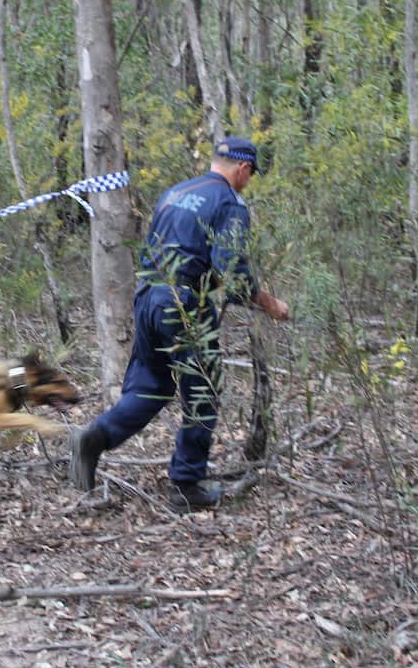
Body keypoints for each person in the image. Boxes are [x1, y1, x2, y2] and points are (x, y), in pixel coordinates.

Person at [70, 136, 290, 513]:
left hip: (148, 298)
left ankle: (95, 437)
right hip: (184, 304)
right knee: (203, 393)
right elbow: (232, 272)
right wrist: (272, 305)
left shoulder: (175, 192)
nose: (248, 182)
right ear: (243, 168)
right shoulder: (229, 203)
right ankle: (186, 485)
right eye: (251, 175)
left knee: (153, 386)